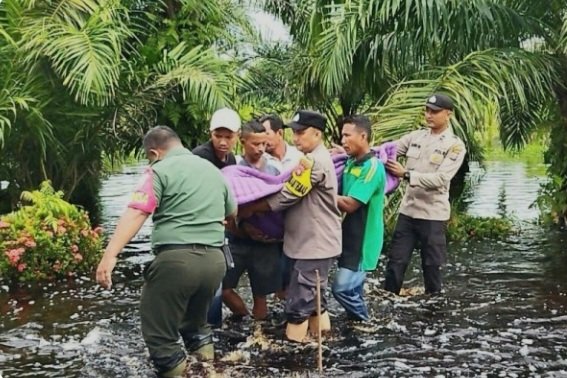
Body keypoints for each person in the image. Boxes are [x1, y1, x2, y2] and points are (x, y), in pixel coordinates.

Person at [96, 126, 236, 377]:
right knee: (196, 326)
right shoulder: (214, 172)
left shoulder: (158, 171)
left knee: (160, 337)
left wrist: (110, 255)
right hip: (215, 262)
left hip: (177, 262)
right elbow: (231, 212)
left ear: (154, 152)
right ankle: (209, 370)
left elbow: (138, 211)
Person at [239, 110, 342, 343]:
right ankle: (323, 344)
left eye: (301, 133)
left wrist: (252, 208)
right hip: (314, 244)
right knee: (316, 302)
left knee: (298, 305)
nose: (295, 138)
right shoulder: (313, 159)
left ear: (317, 133)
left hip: (314, 245)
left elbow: (287, 195)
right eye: (294, 132)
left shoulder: (315, 163)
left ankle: (291, 358)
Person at [383, 93, 466, 296]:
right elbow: (388, 150)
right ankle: (388, 302)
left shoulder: (455, 145)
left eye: (435, 112)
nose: (429, 115)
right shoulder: (415, 137)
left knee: (432, 266)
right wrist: (357, 152)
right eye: (427, 110)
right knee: (396, 261)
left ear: (448, 114)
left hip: (433, 215)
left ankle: (433, 312)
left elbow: (441, 179)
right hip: (408, 211)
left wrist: (407, 174)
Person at [222, 120, 282, 320]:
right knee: (224, 288)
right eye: (255, 144)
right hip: (236, 237)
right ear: (242, 142)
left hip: (265, 242)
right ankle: (244, 318)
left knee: (261, 295)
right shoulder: (232, 168)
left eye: (264, 144)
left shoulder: (274, 168)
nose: (260, 149)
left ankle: (259, 333)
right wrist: (240, 226)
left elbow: (282, 201)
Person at [332, 115, 386, 322]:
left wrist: (321, 192)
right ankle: (357, 328)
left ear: (363, 136)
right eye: (342, 135)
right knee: (353, 291)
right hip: (347, 237)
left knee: (341, 289)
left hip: (363, 241)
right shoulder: (351, 162)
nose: (343, 140)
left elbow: (351, 204)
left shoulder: (372, 167)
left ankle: (366, 323)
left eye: (347, 135)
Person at [192, 107, 241, 327]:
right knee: (209, 284)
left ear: (237, 136)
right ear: (210, 134)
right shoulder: (200, 158)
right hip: (200, 229)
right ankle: (207, 329)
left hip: (220, 229)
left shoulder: (231, 159)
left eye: (228, 137)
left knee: (216, 282)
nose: (222, 141)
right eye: (217, 136)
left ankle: (213, 328)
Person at [260, 113, 303, 300]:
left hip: (296, 227)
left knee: (294, 276)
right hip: (268, 231)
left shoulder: (300, 157)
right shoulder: (259, 161)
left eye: (266, 133)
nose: (262, 138)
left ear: (279, 133)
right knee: (275, 281)